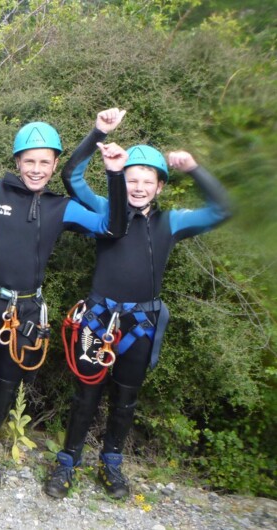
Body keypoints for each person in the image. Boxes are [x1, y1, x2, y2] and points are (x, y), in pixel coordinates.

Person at [0, 105, 128, 497]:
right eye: (29, 161)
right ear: (17, 162)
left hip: (25, 312)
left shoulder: (62, 207)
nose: (36, 168)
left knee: (5, 390)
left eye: (45, 161)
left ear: (55, 165)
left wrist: (114, 171)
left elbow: (113, 226)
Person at [43, 109, 232, 499]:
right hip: (98, 320)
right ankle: (67, 463)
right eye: (132, 179)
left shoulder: (171, 223)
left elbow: (222, 210)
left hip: (141, 325)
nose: (139, 187)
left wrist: (195, 169)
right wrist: (99, 134)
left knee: (125, 401)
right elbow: (71, 176)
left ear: (160, 187)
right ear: (122, 180)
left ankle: (111, 465)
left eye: (148, 181)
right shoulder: (104, 209)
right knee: (86, 396)